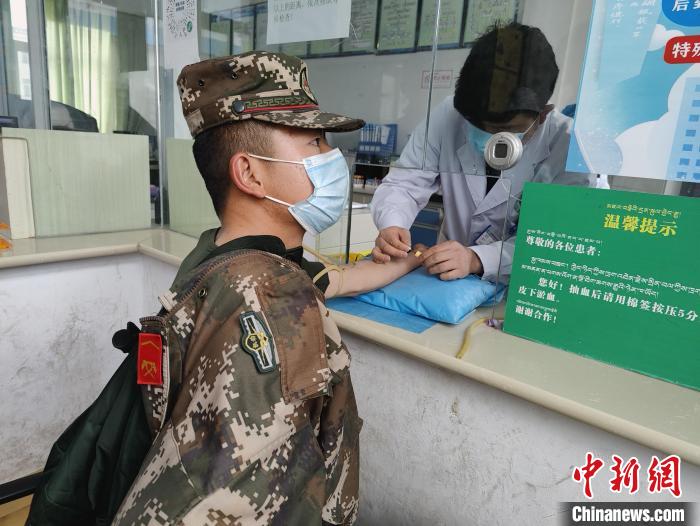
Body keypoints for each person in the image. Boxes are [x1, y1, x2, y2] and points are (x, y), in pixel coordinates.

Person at [112, 51, 423, 525]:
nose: (332, 157)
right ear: (250, 174)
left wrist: (412, 260)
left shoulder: (233, 257)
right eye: (314, 142)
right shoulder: (272, 299)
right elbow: (254, 497)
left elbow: (336, 279)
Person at [370, 23, 596, 282]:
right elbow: (405, 184)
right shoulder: (449, 115)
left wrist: (477, 259)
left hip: (522, 285)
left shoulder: (568, 147)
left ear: (542, 114)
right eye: (477, 126)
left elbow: (563, 240)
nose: (488, 139)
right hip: (448, 280)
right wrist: (393, 223)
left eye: (504, 131)